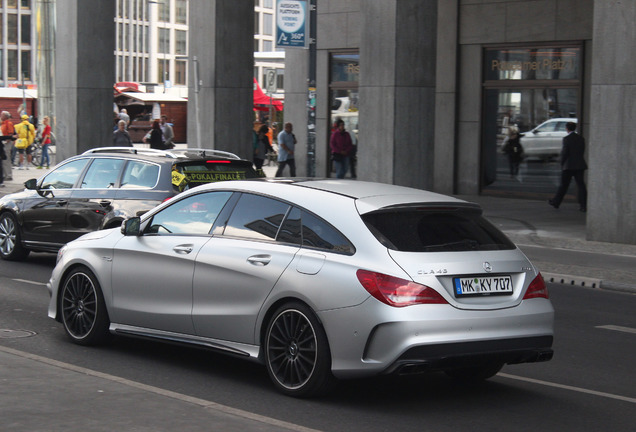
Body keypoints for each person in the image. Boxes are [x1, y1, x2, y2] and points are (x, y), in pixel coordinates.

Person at [549, 121, 588, 212]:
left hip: (569, 166)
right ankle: (583, 205)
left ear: (567, 129)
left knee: (564, 185)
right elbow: (582, 151)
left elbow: (565, 153)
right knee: (581, 185)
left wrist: (562, 163)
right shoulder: (581, 138)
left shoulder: (566, 139)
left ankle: (556, 202)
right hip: (579, 165)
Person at [0, 111, 15, 181]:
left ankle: (8, 175)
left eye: (2, 115)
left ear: (5, 116)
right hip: (3, 142)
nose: (0, 116)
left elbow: (10, 134)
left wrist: (6, 142)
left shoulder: (8, 123)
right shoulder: (2, 123)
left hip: (6, 143)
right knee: (3, 160)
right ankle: (5, 174)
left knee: (6, 159)